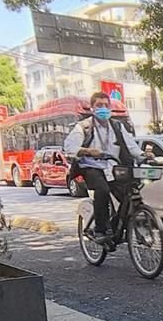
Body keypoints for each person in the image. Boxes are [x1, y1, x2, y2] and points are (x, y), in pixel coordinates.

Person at [64, 92, 151, 243]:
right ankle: (100, 231)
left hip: (114, 167)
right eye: (99, 105)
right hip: (91, 167)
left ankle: (117, 228)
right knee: (102, 190)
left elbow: (131, 147)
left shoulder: (117, 126)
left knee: (128, 196)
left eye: (106, 105)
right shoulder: (84, 126)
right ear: (92, 108)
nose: (103, 109)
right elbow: (70, 147)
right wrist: (88, 151)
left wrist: (144, 155)